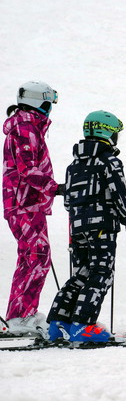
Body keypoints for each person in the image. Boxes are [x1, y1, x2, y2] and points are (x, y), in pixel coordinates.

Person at [46, 111, 126, 343]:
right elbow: (119, 192)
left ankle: (58, 323)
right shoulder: (109, 161)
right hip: (102, 225)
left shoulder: (74, 165)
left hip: (77, 226)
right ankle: (83, 325)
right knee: (101, 272)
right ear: (107, 133)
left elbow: (68, 200)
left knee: (82, 273)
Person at [2, 81, 62, 336]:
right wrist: (56, 187)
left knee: (32, 258)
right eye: (49, 104)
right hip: (25, 203)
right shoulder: (26, 127)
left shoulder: (25, 125)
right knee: (37, 258)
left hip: (25, 203)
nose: (50, 111)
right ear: (41, 103)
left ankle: (20, 315)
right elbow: (28, 169)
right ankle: (20, 317)